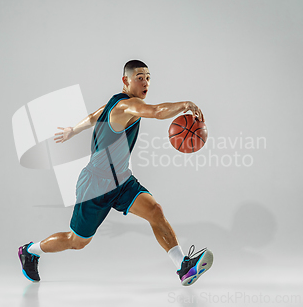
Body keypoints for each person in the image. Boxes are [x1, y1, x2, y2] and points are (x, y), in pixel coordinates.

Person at [18, 60, 213, 286]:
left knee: (154, 210)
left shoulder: (116, 103)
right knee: (77, 241)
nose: (145, 82)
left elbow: (96, 114)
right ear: (125, 80)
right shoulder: (126, 106)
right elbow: (157, 112)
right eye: (139, 77)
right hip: (95, 185)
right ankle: (30, 251)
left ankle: (183, 267)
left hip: (121, 181)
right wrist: (185, 104)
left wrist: (74, 130)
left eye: (148, 77)